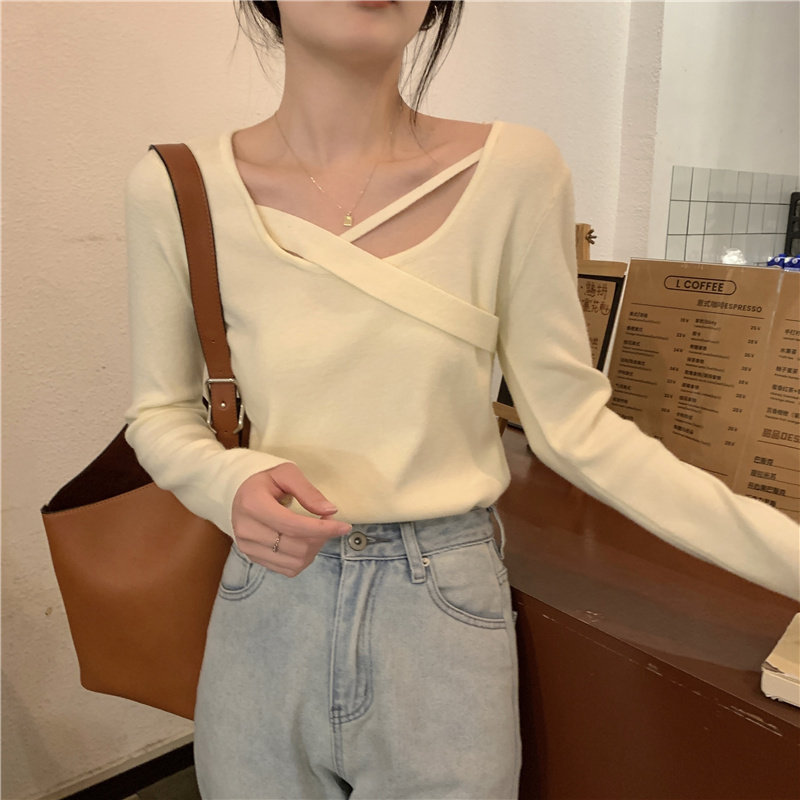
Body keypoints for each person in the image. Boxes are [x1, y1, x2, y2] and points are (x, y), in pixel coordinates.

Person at [123, 2, 799, 798]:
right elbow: (160, 413)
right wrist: (226, 481)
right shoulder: (179, 187)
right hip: (268, 601)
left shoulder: (515, 172)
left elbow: (577, 430)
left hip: (442, 611)